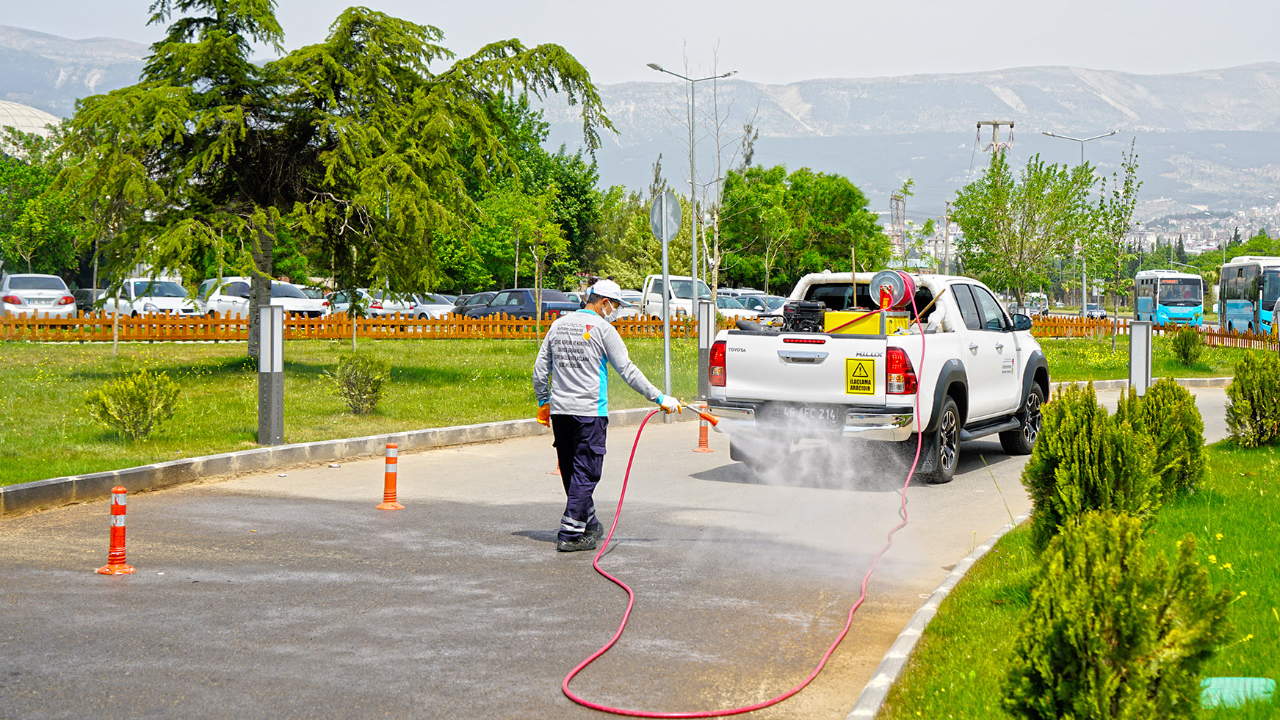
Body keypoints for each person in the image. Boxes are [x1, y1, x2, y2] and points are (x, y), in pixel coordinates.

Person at [532, 279, 681, 552]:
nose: (615, 311)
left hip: (561, 412)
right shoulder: (603, 329)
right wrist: (659, 397)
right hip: (590, 413)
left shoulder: (558, 325)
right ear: (603, 303)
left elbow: (541, 367)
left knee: (570, 468)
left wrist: (543, 400)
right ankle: (570, 534)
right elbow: (628, 370)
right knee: (586, 471)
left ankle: (587, 520)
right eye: (615, 306)